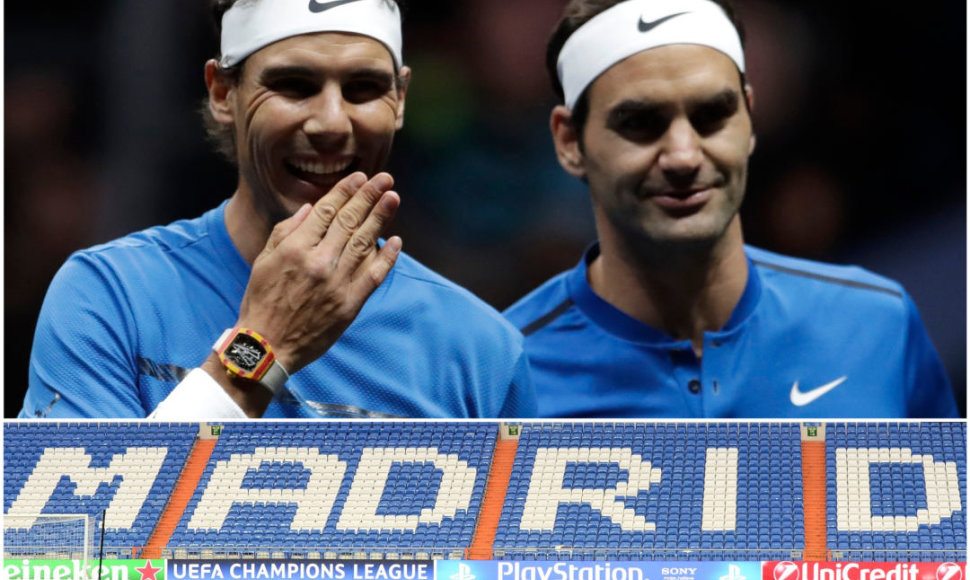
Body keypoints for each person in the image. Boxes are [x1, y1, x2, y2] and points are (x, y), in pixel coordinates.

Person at [20, 0, 535, 419]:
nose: (332, 123)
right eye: (294, 85)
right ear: (223, 92)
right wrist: (263, 347)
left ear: (400, 100)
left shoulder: (481, 350)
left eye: (364, 89)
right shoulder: (109, 296)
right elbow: (79, 541)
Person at [503, 0, 958, 418]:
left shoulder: (878, 324)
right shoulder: (500, 372)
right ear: (569, 141)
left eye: (712, 114)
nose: (683, 155)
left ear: (749, 117)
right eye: (640, 122)